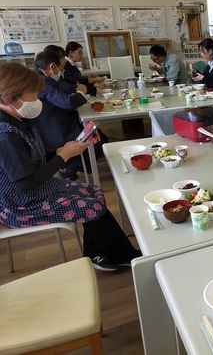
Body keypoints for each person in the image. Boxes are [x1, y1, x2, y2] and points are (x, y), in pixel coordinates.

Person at [0, 63, 141, 271]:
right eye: (33, 95)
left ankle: (97, 253)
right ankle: (123, 255)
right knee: (90, 205)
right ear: (9, 97)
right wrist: (63, 156)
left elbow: (30, 159)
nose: (37, 100)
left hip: (35, 191)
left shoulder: (18, 121)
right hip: (20, 206)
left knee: (93, 191)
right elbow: (26, 183)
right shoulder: (5, 135)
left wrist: (62, 150)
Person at [32, 51, 108, 180]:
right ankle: (72, 167)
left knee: (97, 133)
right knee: (97, 140)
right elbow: (68, 102)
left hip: (54, 124)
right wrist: (80, 92)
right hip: (56, 129)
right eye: (61, 67)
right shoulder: (44, 82)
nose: (61, 71)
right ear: (52, 67)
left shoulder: (40, 78)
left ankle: (75, 166)